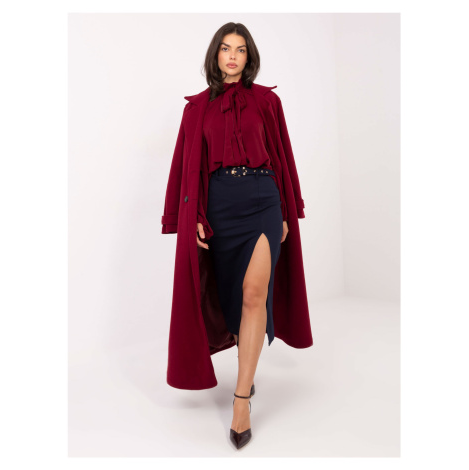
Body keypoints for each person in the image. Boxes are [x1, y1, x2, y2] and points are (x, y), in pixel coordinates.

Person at [162, 22, 313, 450]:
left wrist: (287, 208)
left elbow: (282, 155)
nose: (232, 56)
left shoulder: (267, 101)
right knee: (228, 296)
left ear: (249, 57)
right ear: (216, 55)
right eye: (226, 48)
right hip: (220, 205)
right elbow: (187, 165)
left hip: (263, 199)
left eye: (241, 49)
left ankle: (241, 399)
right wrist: (193, 215)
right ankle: (246, 364)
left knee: (253, 294)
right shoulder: (196, 109)